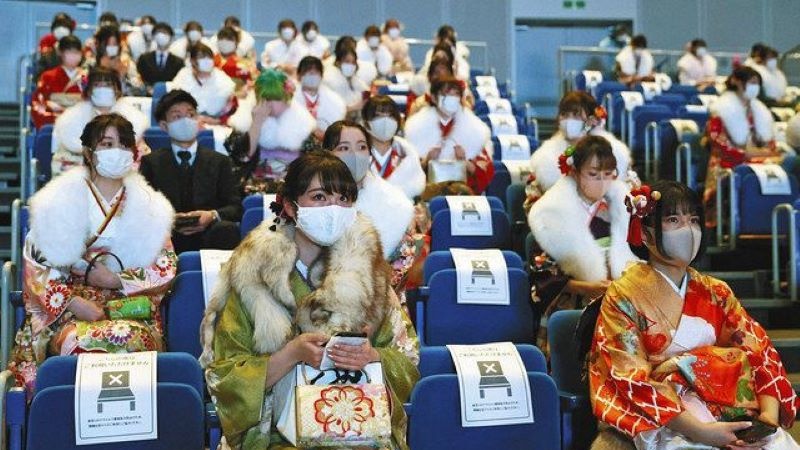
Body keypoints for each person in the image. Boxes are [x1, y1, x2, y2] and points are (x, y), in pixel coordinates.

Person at [199, 150, 419, 449]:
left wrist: (372, 356)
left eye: (344, 199)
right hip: (277, 432)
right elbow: (223, 375)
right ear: (291, 206)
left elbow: (407, 358)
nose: (333, 208)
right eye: (319, 197)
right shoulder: (253, 275)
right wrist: (290, 355)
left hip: (357, 422)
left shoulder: (370, 273)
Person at [588, 180, 799, 450]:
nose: (688, 230)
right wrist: (701, 432)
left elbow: (759, 351)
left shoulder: (716, 291)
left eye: (694, 220)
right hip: (664, 418)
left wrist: (767, 418)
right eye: (674, 220)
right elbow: (628, 376)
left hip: (730, 408)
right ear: (646, 235)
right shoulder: (623, 296)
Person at [9, 113, 176, 394]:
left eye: (124, 144)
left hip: (129, 307)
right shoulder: (58, 199)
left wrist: (115, 280)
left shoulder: (150, 205)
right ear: (88, 152)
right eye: (107, 144)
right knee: (75, 342)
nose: (117, 151)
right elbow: (36, 265)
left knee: (133, 341)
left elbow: (165, 266)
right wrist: (73, 303)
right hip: (70, 307)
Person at [528, 135, 638, 354]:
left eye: (608, 174)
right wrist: (587, 287)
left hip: (620, 296)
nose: (602, 182)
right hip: (574, 298)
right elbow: (542, 273)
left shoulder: (624, 205)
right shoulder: (552, 210)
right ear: (575, 172)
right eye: (593, 174)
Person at [323, 121, 418, 297]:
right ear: (327, 154)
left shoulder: (396, 205)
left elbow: (403, 264)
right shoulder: (311, 201)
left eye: (361, 147)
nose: (355, 155)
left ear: (369, 154)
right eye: (344, 148)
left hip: (380, 298)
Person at [140, 90, 242, 254]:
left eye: (191, 114)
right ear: (164, 126)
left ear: (198, 120)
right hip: (167, 234)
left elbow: (235, 206)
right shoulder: (151, 163)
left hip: (209, 233)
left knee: (227, 229)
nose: (185, 120)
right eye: (177, 116)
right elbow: (143, 207)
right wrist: (168, 220)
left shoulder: (220, 161)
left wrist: (211, 215)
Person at [703, 66, 779, 228]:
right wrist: (746, 155)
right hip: (728, 161)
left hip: (759, 157)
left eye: (757, 83)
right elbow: (718, 143)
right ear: (736, 82)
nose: (755, 87)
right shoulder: (721, 109)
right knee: (744, 171)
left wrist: (767, 153)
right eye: (752, 82)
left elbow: (771, 142)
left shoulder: (761, 110)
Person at [529, 91, 633, 200]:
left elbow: (631, 192)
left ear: (591, 119)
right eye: (564, 115)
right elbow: (532, 199)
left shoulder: (615, 152)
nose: (569, 120)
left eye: (576, 115)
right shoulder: (544, 158)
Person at [227, 69, 316, 194]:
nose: (269, 104)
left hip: (294, 185)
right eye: (265, 98)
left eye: (275, 98)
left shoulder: (301, 121)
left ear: (287, 99)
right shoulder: (244, 119)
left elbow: (313, 162)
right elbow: (241, 158)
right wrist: (256, 123)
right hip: (253, 186)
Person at [52, 68, 149, 177]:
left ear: (117, 90)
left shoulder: (133, 119)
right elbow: (61, 164)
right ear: (89, 90)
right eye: (97, 85)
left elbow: (142, 159)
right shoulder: (71, 121)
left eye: (108, 85)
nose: (103, 89)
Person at [404, 76, 494, 194]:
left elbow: (486, 171)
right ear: (434, 98)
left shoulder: (475, 129)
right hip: (426, 192)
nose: (452, 99)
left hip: (463, 193)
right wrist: (427, 161)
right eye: (446, 94)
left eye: (456, 95)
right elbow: (406, 173)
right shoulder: (416, 128)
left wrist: (465, 163)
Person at [168, 43, 244, 154]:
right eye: (202, 57)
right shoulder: (182, 77)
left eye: (209, 57)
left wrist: (216, 121)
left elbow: (233, 110)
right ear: (193, 61)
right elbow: (173, 105)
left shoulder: (223, 79)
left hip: (218, 126)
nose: (207, 60)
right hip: (186, 125)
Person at [362, 95, 425, 199]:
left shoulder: (407, 153)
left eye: (390, 116)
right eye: (378, 116)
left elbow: (416, 185)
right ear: (366, 123)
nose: (385, 121)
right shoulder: (357, 152)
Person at [31, 35, 86, 130]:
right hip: (53, 125)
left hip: (81, 126)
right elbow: (38, 104)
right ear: (60, 53)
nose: (74, 55)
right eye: (69, 51)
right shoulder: (47, 77)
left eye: (77, 52)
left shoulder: (86, 78)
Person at [292, 55, 346, 139]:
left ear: (321, 76)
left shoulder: (335, 101)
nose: (312, 75)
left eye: (316, 72)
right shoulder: (290, 98)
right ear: (298, 75)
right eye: (307, 71)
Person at [89, 25, 145, 96]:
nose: (111, 47)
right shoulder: (91, 63)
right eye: (107, 44)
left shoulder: (126, 63)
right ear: (99, 45)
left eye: (114, 44)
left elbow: (141, 89)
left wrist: (122, 78)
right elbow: (83, 86)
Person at [323, 40, 371, 120]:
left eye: (353, 62)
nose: (350, 65)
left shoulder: (353, 78)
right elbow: (330, 109)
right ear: (338, 63)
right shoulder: (329, 79)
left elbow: (365, 90)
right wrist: (354, 107)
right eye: (347, 61)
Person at [136, 22, 183, 92]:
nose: (161, 36)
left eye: (165, 33)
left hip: (170, 95)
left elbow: (179, 82)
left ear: (171, 38)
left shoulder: (178, 62)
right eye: (159, 32)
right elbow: (139, 78)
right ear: (153, 36)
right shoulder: (144, 59)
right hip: (147, 94)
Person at [214, 26, 258, 95]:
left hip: (240, 99)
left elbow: (257, 83)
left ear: (237, 42)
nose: (225, 42)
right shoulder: (210, 62)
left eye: (229, 39)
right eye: (221, 39)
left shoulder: (246, 64)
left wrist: (247, 88)